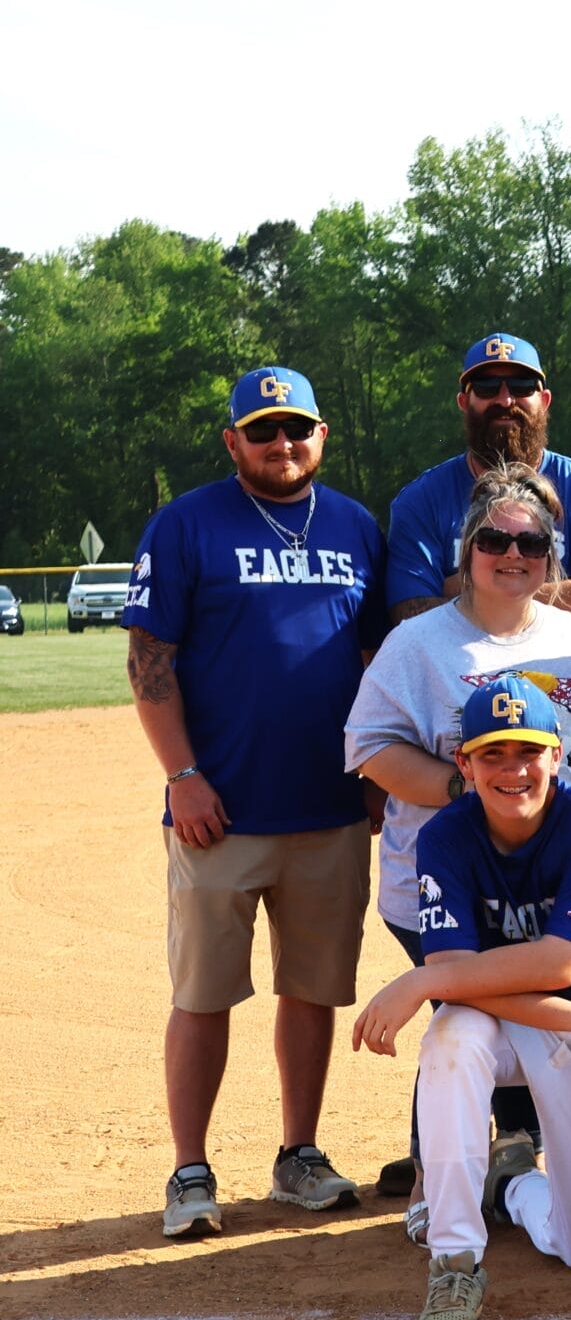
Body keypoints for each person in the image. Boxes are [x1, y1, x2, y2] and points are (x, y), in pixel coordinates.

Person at [125, 366, 387, 1239]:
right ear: (232, 440)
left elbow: (375, 659)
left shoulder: (355, 526)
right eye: (264, 430)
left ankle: (298, 1154)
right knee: (202, 993)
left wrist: (380, 773)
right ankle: (191, 1168)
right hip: (220, 807)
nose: (283, 444)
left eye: (297, 429)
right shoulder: (187, 523)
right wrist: (181, 773)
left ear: (321, 436)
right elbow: (149, 659)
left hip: (330, 805)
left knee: (312, 991)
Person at [347, 464, 571, 1205]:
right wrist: (466, 787)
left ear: (551, 556)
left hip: (553, 875)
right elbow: (368, 744)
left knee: (494, 1003)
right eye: (494, 537)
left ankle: (508, 1151)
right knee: (463, 1011)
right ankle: (439, 1177)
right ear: (468, 547)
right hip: (445, 873)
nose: (513, 552)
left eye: (531, 542)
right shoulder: (421, 640)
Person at [349, 677, 571, 1320]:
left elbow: (559, 963)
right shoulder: (446, 835)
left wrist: (425, 978)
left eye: (528, 751)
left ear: (557, 754)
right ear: (465, 765)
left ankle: (510, 1178)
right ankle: (454, 1261)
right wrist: (564, 1015)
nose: (513, 770)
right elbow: (459, 985)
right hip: (536, 1023)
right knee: (451, 1039)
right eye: (492, 755)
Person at [384, 333, 571, 628]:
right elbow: (410, 614)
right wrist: (556, 590)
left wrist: (486, 586)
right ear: (464, 402)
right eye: (487, 388)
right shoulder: (420, 501)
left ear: (545, 400)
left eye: (522, 387)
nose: (505, 399)